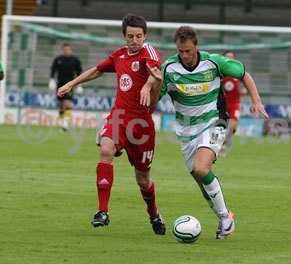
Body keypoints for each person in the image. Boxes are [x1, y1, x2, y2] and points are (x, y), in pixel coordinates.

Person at [57, 14, 166, 235]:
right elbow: (97, 70)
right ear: (124, 36)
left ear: (145, 36)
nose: (134, 40)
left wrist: (147, 86)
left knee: (143, 180)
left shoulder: (149, 52)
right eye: (130, 36)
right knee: (106, 150)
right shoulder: (119, 56)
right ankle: (102, 211)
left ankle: (154, 214)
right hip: (119, 118)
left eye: (138, 36)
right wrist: (72, 83)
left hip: (142, 126)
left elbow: (155, 74)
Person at [159, 26, 269, 239]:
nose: (185, 56)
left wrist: (256, 101)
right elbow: (155, 99)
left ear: (196, 46)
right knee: (200, 178)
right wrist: (151, 85)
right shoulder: (169, 68)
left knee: (201, 169)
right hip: (186, 131)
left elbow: (244, 74)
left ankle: (226, 218)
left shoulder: (214, 62)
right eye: (181, 51)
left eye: (188, 51)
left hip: (215, 122)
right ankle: (223, 216)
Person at [49, 43, 82, 131]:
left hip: (70, 85)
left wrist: (79, 85)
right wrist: (52, 80)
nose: (66, 51)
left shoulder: (75, 60)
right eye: (65, 50)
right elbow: (53, 70)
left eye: (68, 49)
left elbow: (79, 72)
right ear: (63, 50)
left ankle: (65, 124)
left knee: (67, 103)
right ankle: (62, 121)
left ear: (71, 50)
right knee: (60, 105)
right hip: (59, 84)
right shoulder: (58, 59)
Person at [221, 50, 247, 154]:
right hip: (222, 104)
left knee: (233, 126)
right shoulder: (221, 73)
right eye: (227, 57)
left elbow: (245, 86)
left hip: (234, 104)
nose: (229, 59)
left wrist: (243, 91)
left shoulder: (237, 72)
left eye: (231, 57)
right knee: (220, 126)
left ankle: (226, 141)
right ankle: (220, 145)